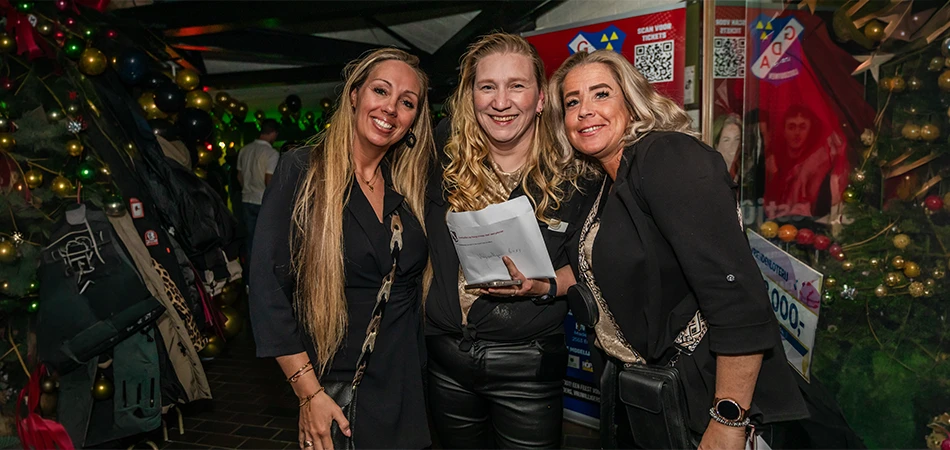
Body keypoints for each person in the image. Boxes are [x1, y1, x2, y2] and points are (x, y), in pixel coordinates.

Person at [548, 49, 809, 449]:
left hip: (706, 389)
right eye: (572, 102)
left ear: (632, 102)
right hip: (649, 393)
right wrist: (542, 285)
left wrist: (728, 418)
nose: (585, 110)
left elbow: (735, 295)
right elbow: (604, 269)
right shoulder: (604, 182)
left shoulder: (667, 156)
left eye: (601, 94)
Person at [248, 48, 434, 450]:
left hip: (409, 386)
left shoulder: (411, 184)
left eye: (407, 102)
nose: (391, 108)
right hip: (342, 387)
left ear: (415, 118)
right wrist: (309, 393)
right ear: (354, 94)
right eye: (380, 91)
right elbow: (266, 288)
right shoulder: (301, 170)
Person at [424, 32, 596, 449]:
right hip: (445, 362)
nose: (501, 102)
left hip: (528, 367)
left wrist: (547, 285)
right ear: (472, 97)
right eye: (488, 87)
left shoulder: (577, 173)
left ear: (540, 99)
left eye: (516, 85)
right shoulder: (441, 152)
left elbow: (598, 266)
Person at [763, 104, 848, 218]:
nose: (797, 133)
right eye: (792, 127)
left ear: (810, 130)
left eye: (802, 127)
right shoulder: (773, 161)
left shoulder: (816, 164)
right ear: (783, 130)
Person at [236, 118, 280, 254]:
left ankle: (250, 272)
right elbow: (269, 180)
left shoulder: (244, 150)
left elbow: (239, 175)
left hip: (246, 198)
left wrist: (247, 188)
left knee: (250, 240)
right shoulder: (271, 153)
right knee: (265, 240)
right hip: (262, 201)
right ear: (274, 133)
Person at [713, 113, 742, 181]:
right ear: (716, 145)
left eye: (737, 139)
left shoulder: (746, 174)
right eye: (726, 140)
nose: (733, 146)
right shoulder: (710, 176)